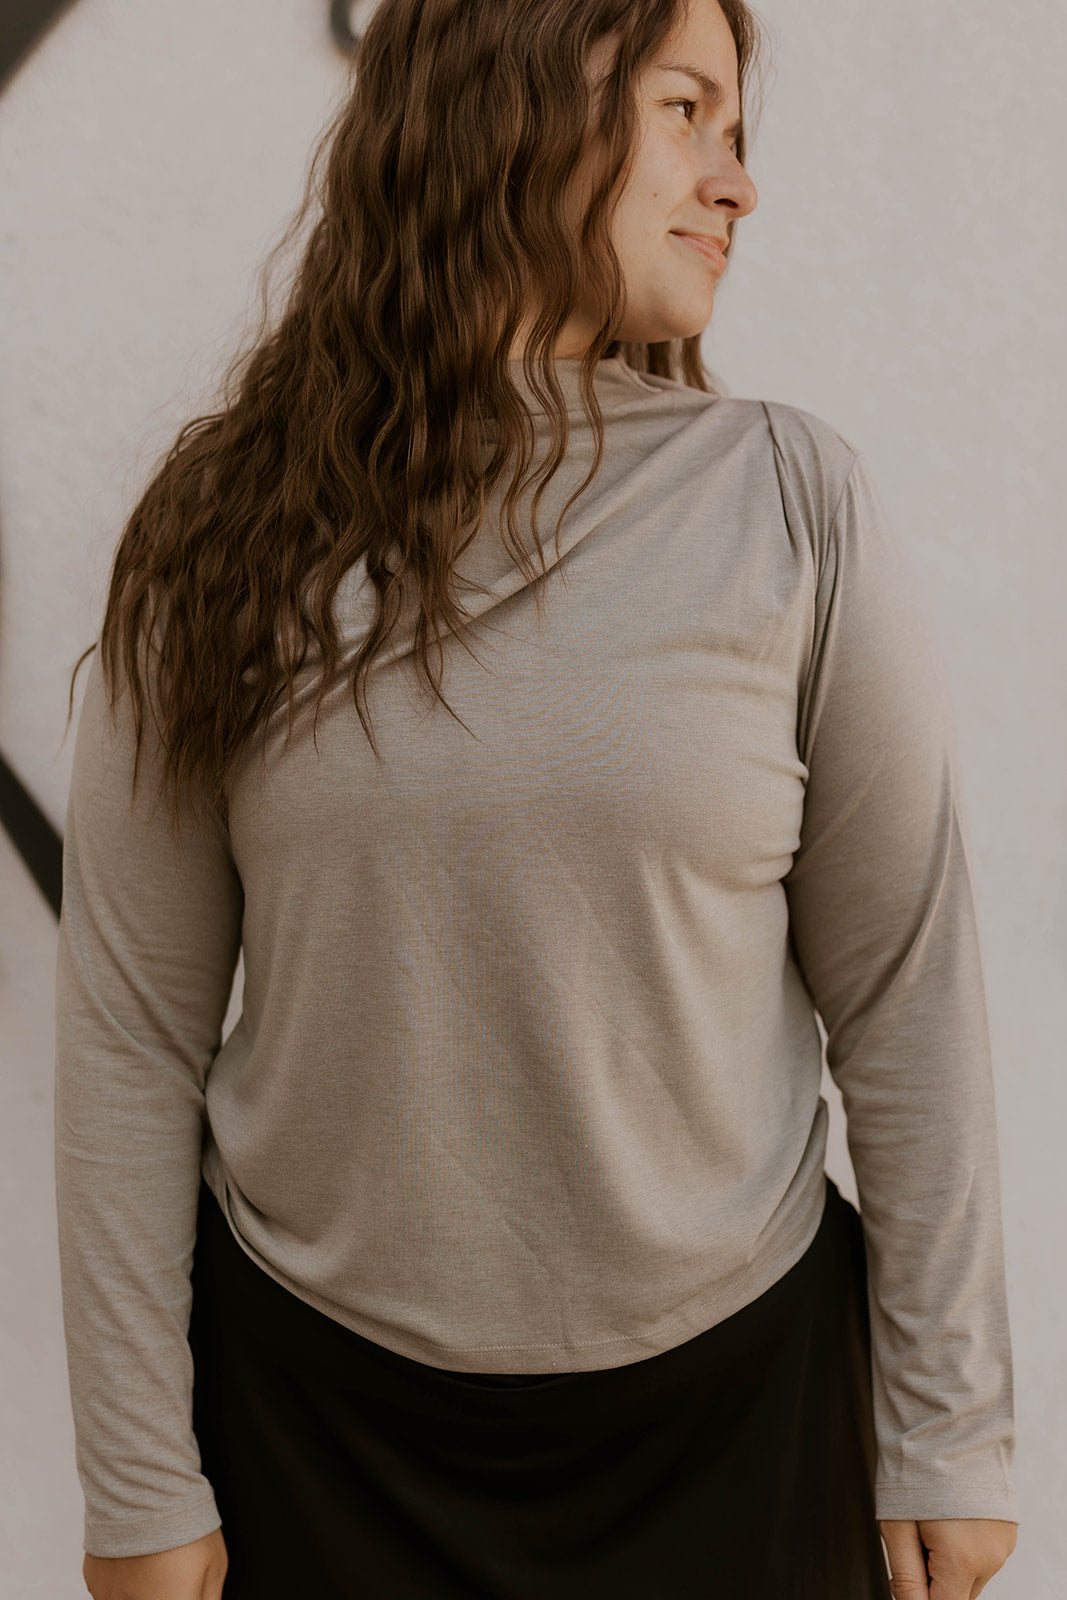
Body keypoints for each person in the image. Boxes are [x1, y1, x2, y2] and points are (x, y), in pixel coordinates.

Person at [53, 0, 1020, 1596]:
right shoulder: (222, 527)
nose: (738, 182)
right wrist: (141, 1480)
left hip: (744, 1424)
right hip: (317, 1435)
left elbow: (907, 991)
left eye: (737, 130)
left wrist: (952, 1427)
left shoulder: (791, 502)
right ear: (517, 95)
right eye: (687, 110)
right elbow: (129, 1032)